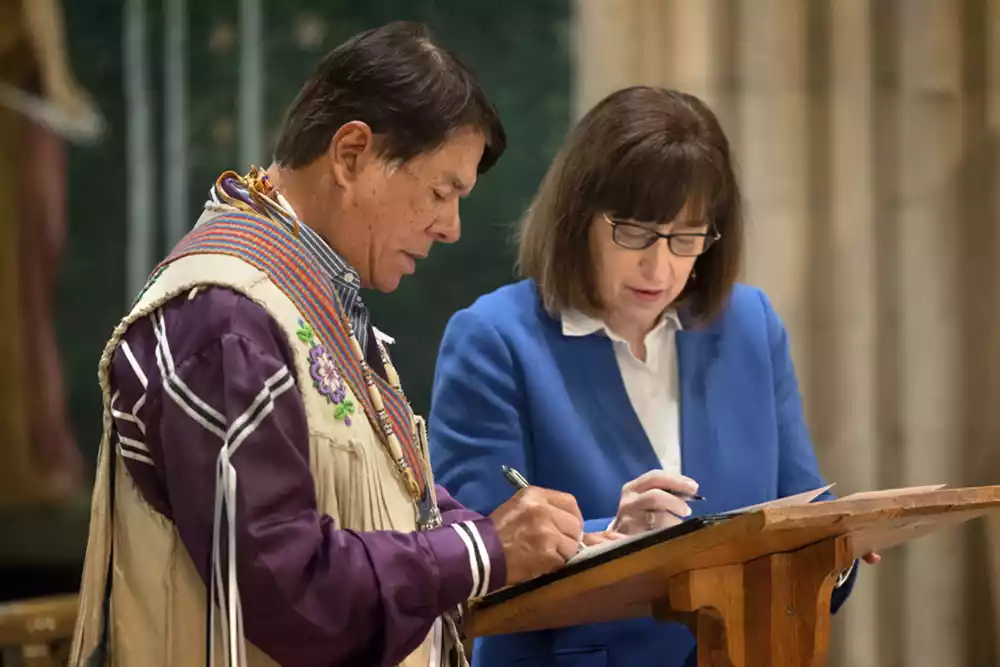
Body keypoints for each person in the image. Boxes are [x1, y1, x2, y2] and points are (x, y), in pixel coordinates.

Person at [70, 22, 589, 667]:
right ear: (350, 156)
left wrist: (584, 540)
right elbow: (291, 591)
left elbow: (408, 507)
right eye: (440, 191)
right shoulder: (225, 319)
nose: (452, 227)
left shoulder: (307, 299)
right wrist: (485, 550)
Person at [428, 86, 877, 667]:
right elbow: (475, 565)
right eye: (635, 232)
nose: (659, 267)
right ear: (578, 218)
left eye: (686, 237)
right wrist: (611, 536)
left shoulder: (749, 324)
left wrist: (837, 548)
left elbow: (800, 510)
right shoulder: (495, 338)